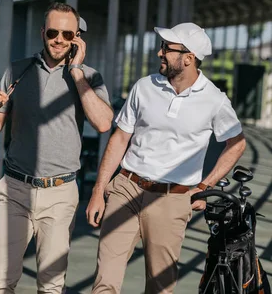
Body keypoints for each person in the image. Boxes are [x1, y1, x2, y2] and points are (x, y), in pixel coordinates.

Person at [86, 22, 247, 294]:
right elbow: (120, 138)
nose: (160, 53)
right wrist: (99, 191)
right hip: (126, 188)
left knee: (161, 287)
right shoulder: (144, 87)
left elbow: (237, 143)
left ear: (188, 58)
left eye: (167, 48)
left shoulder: (214, 100)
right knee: (105, 281)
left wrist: (205, 185)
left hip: (172, 200)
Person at [0, 2, 114, 293]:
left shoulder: (90, 77)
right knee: (0, 282)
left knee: (52, 286)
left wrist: (77, 72)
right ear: (43, 32)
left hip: (60, 193)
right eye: (53, 32)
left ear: (77, 37)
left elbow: (104, 123)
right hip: (15, 189)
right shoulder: (18, 70)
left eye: (67, 34)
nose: (59, 39)